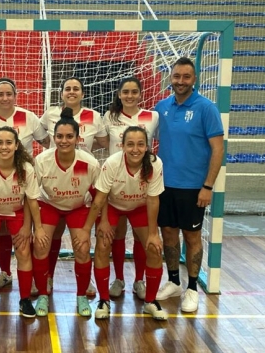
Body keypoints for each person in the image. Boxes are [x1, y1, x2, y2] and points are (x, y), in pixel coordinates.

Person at [153, 57, 224, 313]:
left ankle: (192, 288)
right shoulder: (161, 108)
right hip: (163, 187)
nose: (180, 81)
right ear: (170, 78)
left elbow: (218, 149)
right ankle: (173, 281)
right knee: (169, 234)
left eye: (186, 77)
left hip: (194, 188)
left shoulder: (206, 108)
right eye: (176, 76)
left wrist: (208, 186)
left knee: (192, 237)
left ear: (194, 79)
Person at [0, 78, 50, 292]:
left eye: (9, 94)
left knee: (25, 233)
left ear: (15, 96)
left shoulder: (29, 117)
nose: (5, 98)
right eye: (0, 94)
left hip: (24, 181)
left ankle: (31, 277)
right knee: (2, 233)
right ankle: (5, 273)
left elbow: (48, 143)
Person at [81, 126, 167, 320]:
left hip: (139, 207)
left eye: (140, 144)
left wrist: (154, 233)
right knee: (103, 245)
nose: (135, 149)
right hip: (113, 206)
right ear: (122, 146)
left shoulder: (155, 163)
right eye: (130, 144)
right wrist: (99, 223)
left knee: (154, 248)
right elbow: (100, 198)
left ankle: (151, 302)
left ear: (147, 147)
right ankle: (104, 300)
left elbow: (153, 200)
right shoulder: (112, 163)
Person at [39, 77, 108, 296]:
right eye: (67, 88)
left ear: (83, 93)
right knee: (49, 237)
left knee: (82, 243)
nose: (71, 92)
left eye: (76, 89)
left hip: (79, 173)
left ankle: (85, 283)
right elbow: (43, 139)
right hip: (54, 174)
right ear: (61, 93)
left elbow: (104, 142)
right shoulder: (50, 114)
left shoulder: (94, 116)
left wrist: (83, 151)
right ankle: (45, 279)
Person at [32, 108, 100, 317]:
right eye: (59, 136)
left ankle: (81, 296)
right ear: (53, 138)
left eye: (69, 136)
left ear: (78, 138)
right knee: (41, 244)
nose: (64, 141)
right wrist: (38, 228)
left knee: (82, 246)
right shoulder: (42, 160)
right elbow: (32, 196)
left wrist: (89, 229)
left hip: (79, 207)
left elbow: (99, 199)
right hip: (50, 204)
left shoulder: (89, 163)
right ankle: (43, 293)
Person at [0, 126, 41, 318]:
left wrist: (29, 227)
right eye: (0, 142)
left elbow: (31, 201)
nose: (4, 147)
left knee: (23, 251)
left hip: (16, 213)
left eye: (9, 142)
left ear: (17, 145)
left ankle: (25, 300)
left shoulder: (26, 169)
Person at [102, 77, 159, 300]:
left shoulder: (152, 117)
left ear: (140, 94)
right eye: (125, 92)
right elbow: (101, 142)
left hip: (141, 185)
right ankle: (118, 279)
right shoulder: (109, 117)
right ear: (119, 94)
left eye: (134, 91)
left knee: (140, 237)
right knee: (117, 235)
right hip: (115, 185)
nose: (129, 95)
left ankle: (139, 280)